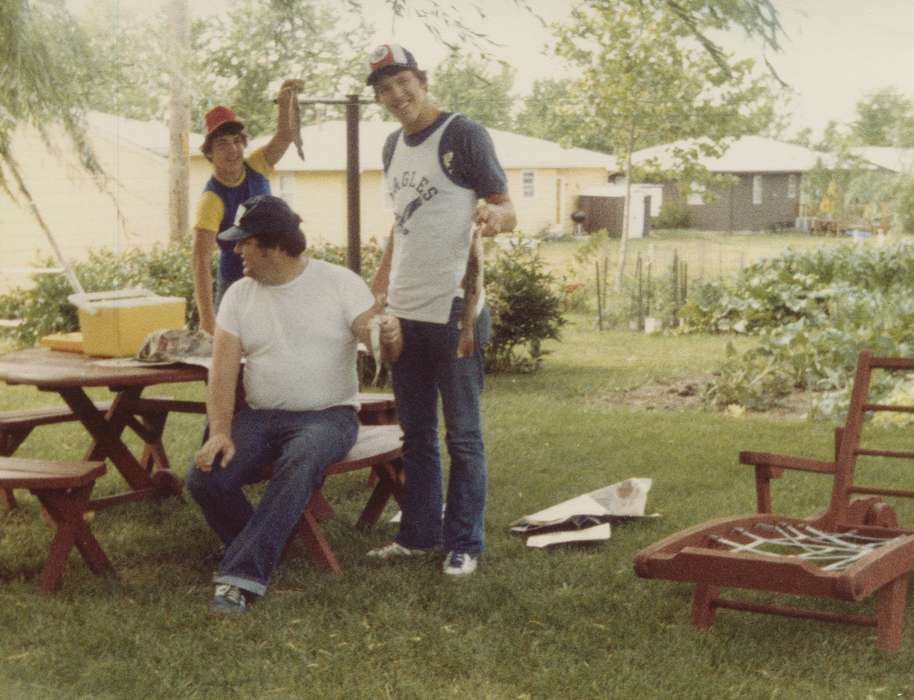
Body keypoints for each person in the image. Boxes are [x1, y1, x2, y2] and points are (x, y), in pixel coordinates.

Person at [187, 194, 401, 613]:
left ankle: (241, 577)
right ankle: (257, 546)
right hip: (261, 417)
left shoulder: (338, 283)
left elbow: (371, 335)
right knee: (205, 477)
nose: (236, 251)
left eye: (244, 242)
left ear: (272, 245)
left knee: (301, 458)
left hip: (328, 417)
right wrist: (220, 433)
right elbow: (223, 371)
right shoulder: (238, 295)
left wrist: (385, 335)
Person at [364, 44, 517, 576]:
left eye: (403, 82)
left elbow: (506, 207)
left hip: (455, 309)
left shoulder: (462, 134)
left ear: (422, 80)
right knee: (417, 435)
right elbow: (401, 224)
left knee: (464, 436)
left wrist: (494, 219)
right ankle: (419, 534)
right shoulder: (390, 147)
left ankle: (465, 543)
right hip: (405, 313)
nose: (397, 95)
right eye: (385, 89)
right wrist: (378, 290)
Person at [192, 79, 303, 335]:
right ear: (209, 154)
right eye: (222, 144)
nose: (232, 150)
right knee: (233, 357)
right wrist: (207, 319)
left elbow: (285, 136)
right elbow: (200, 260)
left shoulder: (257, 165)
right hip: (236, 282)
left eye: (236, 141)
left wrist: (285, 98)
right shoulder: (212, 199)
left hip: (275, 272)